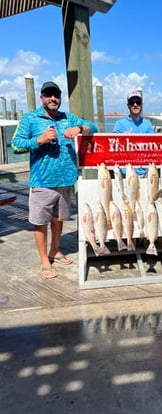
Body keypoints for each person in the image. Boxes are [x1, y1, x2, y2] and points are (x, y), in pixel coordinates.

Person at [11, 81, 98, 279]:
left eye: (56, 95)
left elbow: (93, 126)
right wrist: (38, 140)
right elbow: (16, 145)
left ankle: (55, 250)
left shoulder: (68, 118)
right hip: (42, 182)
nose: (53, 99)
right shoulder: (30, 119)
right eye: (48, 95)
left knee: (59, 220)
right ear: (41, 97)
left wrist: (79, 128)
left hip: (66, 181)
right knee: (40, 222)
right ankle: (44, 260)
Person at [113, 90, 154, 176]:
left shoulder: (148, 124)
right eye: (132, 102)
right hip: (126, 173)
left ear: (142, 105)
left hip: (145, 172)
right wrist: (121, 140)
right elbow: (112, 147)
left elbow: (152, 147)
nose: (135, 105)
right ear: (128, 106)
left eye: (138, 102)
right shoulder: (119, 124)